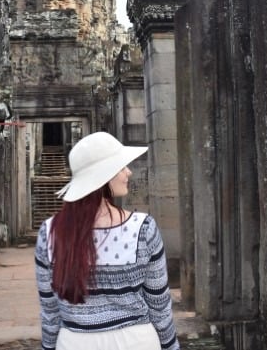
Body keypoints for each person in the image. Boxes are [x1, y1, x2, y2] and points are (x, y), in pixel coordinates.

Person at [34, 132, 180, 350]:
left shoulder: (50, 232)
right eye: (121, 167)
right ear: (104, 176)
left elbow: (50, 312)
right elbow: (159, 305)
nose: (128, 172)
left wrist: (48, 347)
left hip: (74, 343)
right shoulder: (143, 228)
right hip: (136, 343)